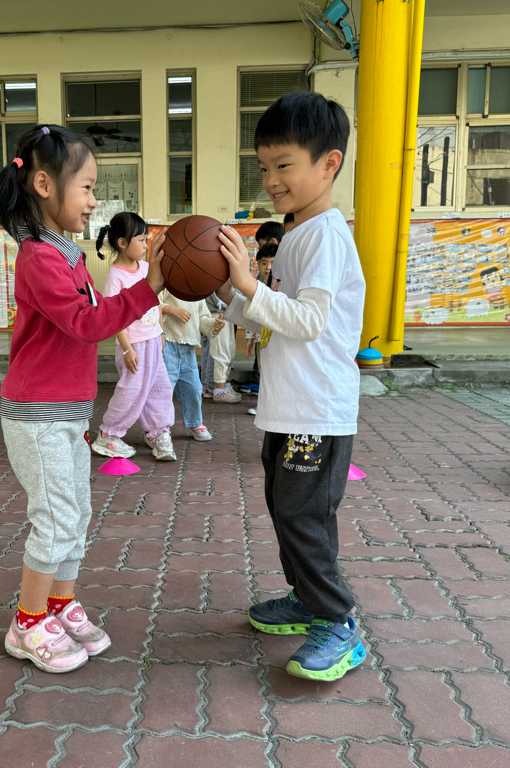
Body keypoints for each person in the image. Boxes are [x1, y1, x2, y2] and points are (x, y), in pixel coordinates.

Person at [0, 124, 166, 674]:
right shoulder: (39, 257)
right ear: (44, 184)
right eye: (87, 188)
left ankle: (58, 604)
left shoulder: (67, 255)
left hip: (64, 412)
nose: (94, 201)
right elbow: (86, 324)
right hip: (36, 415)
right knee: (55, 517)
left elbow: (87, 322)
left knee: (76, 513)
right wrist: (149, 289)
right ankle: (26, 623)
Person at [216, 90, 367, 682]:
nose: (271, 180)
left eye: (284, 165)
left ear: (329, 164)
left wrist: (249, 285)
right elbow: (270, 317)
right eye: (263, 167)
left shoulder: (326, 235)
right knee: (286, 508)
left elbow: (308, 321)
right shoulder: (296, 231)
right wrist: (226, 290)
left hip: (317, 409)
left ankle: (338, 620)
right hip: (288, 407)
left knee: (304, 515)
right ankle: (307, 599)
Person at [92, 212, 176, 462]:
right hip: (134, 345)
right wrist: (127, 349)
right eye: (140, 240)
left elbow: (155, 302)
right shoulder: (115, 277)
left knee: (160, 387)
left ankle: (158, 433)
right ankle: (108, 434)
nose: (145, 245)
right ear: (122, 243)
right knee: (132, 390)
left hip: (153, 340)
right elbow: (114, 318)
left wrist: (161, 330)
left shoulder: (147, 269)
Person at [160, 289, 215, 442]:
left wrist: (213, 325)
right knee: (164, 390)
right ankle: (158, 428)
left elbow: (202, 317)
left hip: (188, 347)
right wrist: (173, 310)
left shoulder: (196, 290)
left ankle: (195, 422)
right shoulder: (167, 283)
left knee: (194, 388)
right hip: (168, 343)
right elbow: (153, 302)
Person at [244, 241, 278, 414]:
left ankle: (271, 406)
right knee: (264, 371)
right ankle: (265, 406)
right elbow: (253, 313)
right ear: (257, 264)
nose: (268, 267)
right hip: (261, 337)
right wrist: (250, 338)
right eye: (264, 263)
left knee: (274, 372)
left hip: (276, 338)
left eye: (272, 263)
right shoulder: (257, 287)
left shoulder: (281, 287)